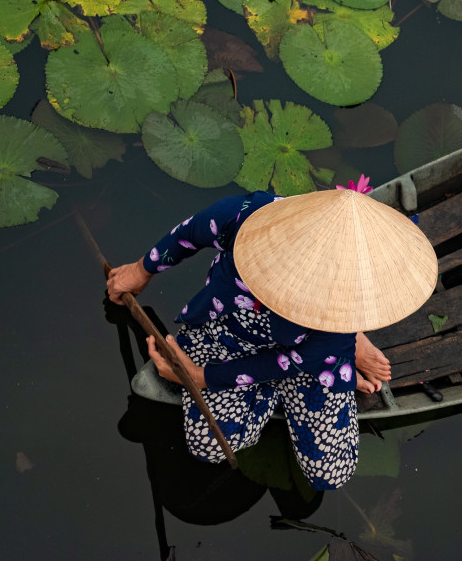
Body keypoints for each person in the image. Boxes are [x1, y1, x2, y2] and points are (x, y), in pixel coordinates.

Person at [107, 185, 438, 490]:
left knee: (330, 474)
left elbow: (291, 362)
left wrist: (197, 377)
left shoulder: (338, 313)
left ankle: (352, 339)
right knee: (209, 445)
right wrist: (140, 271)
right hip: (230, 333)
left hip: (307, 359)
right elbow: (191, 233)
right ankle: (281, 387)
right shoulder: (251, 215)